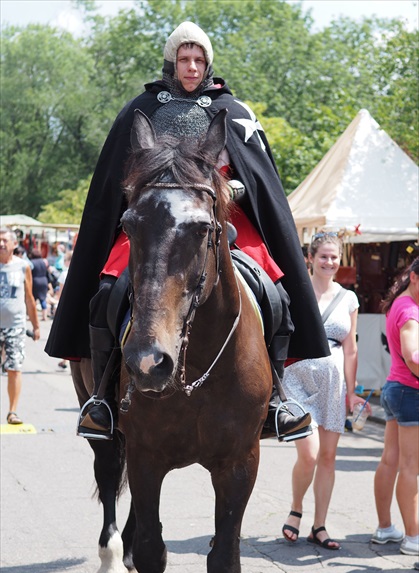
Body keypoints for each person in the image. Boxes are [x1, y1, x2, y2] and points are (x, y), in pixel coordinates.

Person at [45, 21, 329, 440]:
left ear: (208, 63)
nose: (192, 67)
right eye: (184, 59)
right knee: (107, 289)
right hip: (155, 223)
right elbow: (117, 178)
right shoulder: (143, 109)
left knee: (275, 292)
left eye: (198, 60)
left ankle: (276, 398)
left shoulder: (231, 112)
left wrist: (229, 188)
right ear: (171, 62)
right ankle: (102, 397)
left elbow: (256, 179)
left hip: (222, 220)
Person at [281, 233, 370, 549]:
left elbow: (351, 349)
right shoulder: (294, 292)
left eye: (334, 257)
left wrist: (353, 391)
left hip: (333, 386)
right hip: (297, 380)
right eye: (324, 257)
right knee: (310, 453)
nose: (330, 262)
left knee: (329, 457)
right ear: (310, 257)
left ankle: (319, 526)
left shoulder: (348, 299)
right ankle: (296, 508)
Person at [372, 257, 419, 556]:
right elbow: (413, 355)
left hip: (396, 389)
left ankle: (385, 528)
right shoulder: (410, 312)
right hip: (409, 392)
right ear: (414, 277)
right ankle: (413, 536)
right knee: (410, 467)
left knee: (391, 460)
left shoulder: (401, 304)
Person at [0, 228, 40, 424]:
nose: (1, 244)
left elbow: (29, 297)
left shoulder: (23, 266)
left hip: (15, 326)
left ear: (14, 244)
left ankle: (12, 411)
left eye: (5, 241)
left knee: (15, 368)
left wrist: (36, 325)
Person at [29, 248, 50, 322]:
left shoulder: (31, 262)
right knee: (43, 299)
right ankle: (45, 316)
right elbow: (48, 272)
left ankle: (32, 316)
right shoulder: (44, 261)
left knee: (33, 300)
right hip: (44, 280)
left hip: (35, 281)